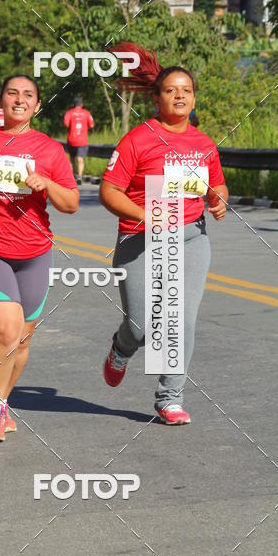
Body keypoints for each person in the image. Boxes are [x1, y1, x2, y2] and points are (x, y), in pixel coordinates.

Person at [99, 43, 228, 425]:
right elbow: (109, 192)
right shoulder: (138, 139)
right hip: (139, 238)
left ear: (194, 98)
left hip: (190, 237)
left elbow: (216, 187)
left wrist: (218, 200)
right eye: (171, 90)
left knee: (179, 319)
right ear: (157, 98)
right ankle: (122, 347)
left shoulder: (203, 145)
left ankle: (169, 398)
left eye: (186, 90)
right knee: (141, 326)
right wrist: (148, 215)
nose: (179, 96)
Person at [0, 74, 79, 442]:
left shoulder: (50, 150)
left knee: (22, 339)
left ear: (37, 106)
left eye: (28, 95)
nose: (19, 100)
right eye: (12, 93)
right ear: (1, 102)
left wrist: (47, 184)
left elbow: (70, 203)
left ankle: (4, 401)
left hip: (35, 253)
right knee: (6, 329)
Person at [64, 97, 94, 184]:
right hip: (83, 140)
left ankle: (72, 176)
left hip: (71, 140)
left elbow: (66, 124)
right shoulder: (87, 113)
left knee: (72, 159)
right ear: (82, 104)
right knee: (80, 159)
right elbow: (92, 125)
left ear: (73, 104)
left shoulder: (69, 113)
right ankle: (80, 176)